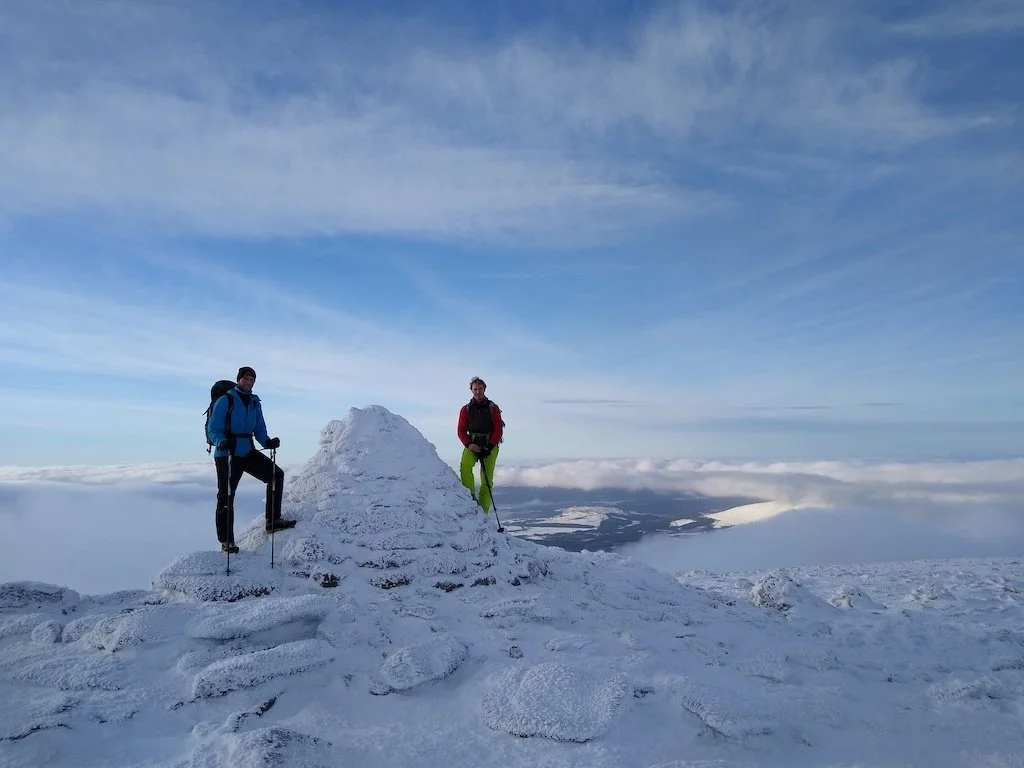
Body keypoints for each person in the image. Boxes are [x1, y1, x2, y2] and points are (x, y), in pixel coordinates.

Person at [207, 366, 296, 553]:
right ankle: (226, 541)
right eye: (245, 379)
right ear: (238, 380)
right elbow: (213, 429)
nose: (248, 382)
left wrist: (267, 441)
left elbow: (259, 428)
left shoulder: (255, 402)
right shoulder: (226, 400)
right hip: (227, 454)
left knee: (276, 475)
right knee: (226, 496)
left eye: (251, 379)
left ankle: (273, 520)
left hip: (246, 450)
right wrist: (221, 442)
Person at [457, 376, 503, 514]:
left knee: (487, 481)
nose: (478, 392)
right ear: (471, 390)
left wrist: (489, 447)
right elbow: (460, 430)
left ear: (484, 389)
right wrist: (469, 444)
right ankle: (470, 498)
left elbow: (498, 430)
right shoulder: (465, 409)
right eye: (475, 389)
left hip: (490, 446)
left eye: (480, 389)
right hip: (472, 445)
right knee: (465, 467)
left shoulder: (493, 408)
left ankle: (483, 513)